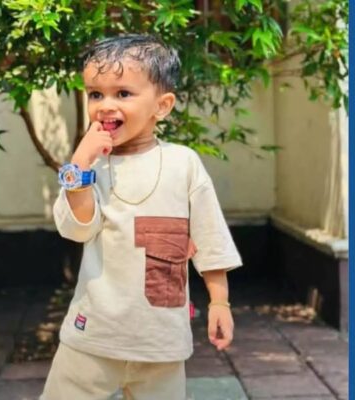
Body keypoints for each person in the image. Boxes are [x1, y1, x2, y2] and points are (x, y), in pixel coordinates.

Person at [41, 34, 243, 400]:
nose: (105, 106)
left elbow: (209, 236)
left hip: (161, 340)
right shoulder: (92, 168)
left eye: (123, 93)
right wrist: (80, 164)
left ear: (162, 106)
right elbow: (77, 228)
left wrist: (219, 302)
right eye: (95, 94)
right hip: (93, 335)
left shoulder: (182, 163)